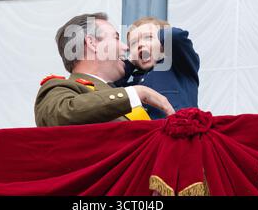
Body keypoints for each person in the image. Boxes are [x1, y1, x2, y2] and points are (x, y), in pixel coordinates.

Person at [34, 13, 175, 127]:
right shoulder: (61, 88)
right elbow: (56, 115)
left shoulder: (121, 92)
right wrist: (136, 93)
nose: (126, 48)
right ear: (92, 43)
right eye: (116, 38)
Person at [115, 17, 200, 119]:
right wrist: (130, 63)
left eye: (148, 38)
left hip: (181, 130)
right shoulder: (135, 84)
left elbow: (175, 36)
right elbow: (113, 85)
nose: (140, 44)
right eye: (133, 43)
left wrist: (162, 36)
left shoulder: (180, 66)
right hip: (149, 133)